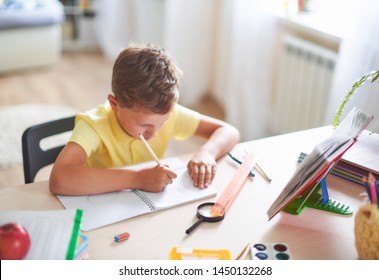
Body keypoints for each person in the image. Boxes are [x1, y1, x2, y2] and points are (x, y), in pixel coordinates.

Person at [49, 43, 239, 195]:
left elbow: (229, 131)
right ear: (115, 104)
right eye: (144, 124)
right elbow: (60, 179)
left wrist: (206, 153)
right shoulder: (93, 125)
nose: (154, 132)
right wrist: (137, 179)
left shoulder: (166, 113)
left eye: (162, 123)